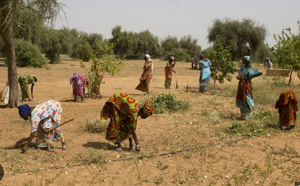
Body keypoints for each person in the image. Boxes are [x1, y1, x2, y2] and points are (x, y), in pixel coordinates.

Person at [236, 56, 262, 120]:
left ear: (246, 61)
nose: (242, 61)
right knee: (241, 98)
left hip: (247, 85)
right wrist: (239, 77)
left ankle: (248, 114)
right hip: (241, 85)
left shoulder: (251, 68)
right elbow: (240, 75)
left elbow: (260, 72)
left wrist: (249, 77)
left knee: (247, 98)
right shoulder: (242, 68)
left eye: (243, 60)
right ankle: (243, 114)